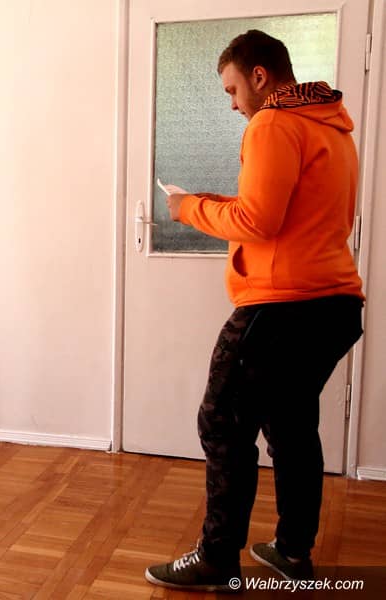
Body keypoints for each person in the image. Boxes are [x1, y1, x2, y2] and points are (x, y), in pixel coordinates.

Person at [145, 30, 364, 591]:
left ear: (259, 76)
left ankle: (218, 558)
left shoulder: (272, 123)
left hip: (282, 307)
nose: (233, 104)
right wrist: (209, 202)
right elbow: (285, 212)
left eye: (232, 89)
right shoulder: (330, 125)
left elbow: (258, 223)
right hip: (335, 304)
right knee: (292, 426)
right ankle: (292, 551)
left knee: (221, 421)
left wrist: (186, 209)